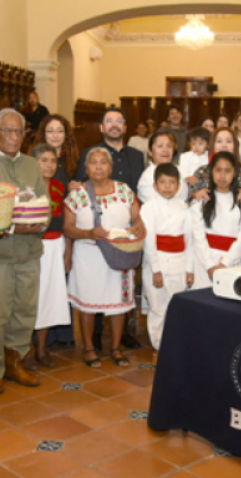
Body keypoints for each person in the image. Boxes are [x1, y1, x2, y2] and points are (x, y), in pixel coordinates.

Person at [0, 108, 48, 394]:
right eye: (8, 131)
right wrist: (15, 226)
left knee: (25, 311)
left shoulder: (32, 165)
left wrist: (40, 222)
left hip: (29, 251)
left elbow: (44, 202)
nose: (14, 137)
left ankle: (15, 361)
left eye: (19, 132)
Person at [64, 147, 146, 368]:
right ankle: (89, 348)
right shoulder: (77, 195)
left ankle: (116, 347)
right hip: (88, 256)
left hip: (120, 255)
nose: (98, 167)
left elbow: (136, 217)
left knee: (119, 303)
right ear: (86, 167)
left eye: (103, 162)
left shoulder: (124, 190)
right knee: (88, 304)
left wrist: (139, 224)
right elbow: (68, 228)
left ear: (110, 167)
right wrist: (88, 233)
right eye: (93, 162)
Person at [75, 107, 145, 351]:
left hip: (125, 235)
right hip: (96, 236)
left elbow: (139, 192)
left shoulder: (137, 155)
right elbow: (79, 186)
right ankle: (94, 337)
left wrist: (138, 221)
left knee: (121, 288)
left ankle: (123, 335)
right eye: (109, 121)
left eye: (119, 121)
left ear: (125, 126)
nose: (114, 125)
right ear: (102, 127)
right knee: (94, 287)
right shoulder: (89, 153)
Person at [141, 163, 193, 355]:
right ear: (155, 186)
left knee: (175, 307)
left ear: (178, 185)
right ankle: (159, 346)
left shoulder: (184, 207)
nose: (167, 186)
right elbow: (149, 242)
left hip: (179, 263)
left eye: (172, 182)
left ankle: (173, 345)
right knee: (158, 307)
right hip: (158, 265)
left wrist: (189, 269)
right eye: (162, 182)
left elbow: (189, 241)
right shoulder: (149, 208)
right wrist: (156, 270)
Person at [29, 144, 72, 368]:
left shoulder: (59, 187)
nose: (49, 165)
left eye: (53, 161)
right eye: (44, 160)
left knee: (49, 297)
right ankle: (24, 349)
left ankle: (42, 349)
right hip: (33, 247)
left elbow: (67, 223)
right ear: (33, 163)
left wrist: (68, 253)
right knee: (30, 297)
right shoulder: (26, 188)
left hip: (56, 246)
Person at [190, 152, 241, 289]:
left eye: (227, 171)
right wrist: (210, 266)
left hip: (233, 262)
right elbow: (198, 237)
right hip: (204, 264)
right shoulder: (202, 200)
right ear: (211, 172)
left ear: (235, 173)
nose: (222, 175)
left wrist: (225, 264)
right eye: (218, 170)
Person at [189, 127, 241, 202]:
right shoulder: (201, 172)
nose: (224, 145)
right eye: (219, 141)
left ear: (235, 146)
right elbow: (188, 199)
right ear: (212, 145)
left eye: (228, 141)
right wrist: (195, 195)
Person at [138, 132, 188, 204]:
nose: (165, 150)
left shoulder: (181, 170)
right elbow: (156, 206)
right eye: (160, 146)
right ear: (150, 151)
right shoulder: (147, 177)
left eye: (169, 146)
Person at [33, 114, 81, 189]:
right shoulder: (34, 159)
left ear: (66, 134)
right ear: (44, 134)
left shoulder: (73, 161)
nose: (55, 135)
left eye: (60, 131)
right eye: (50, 131)